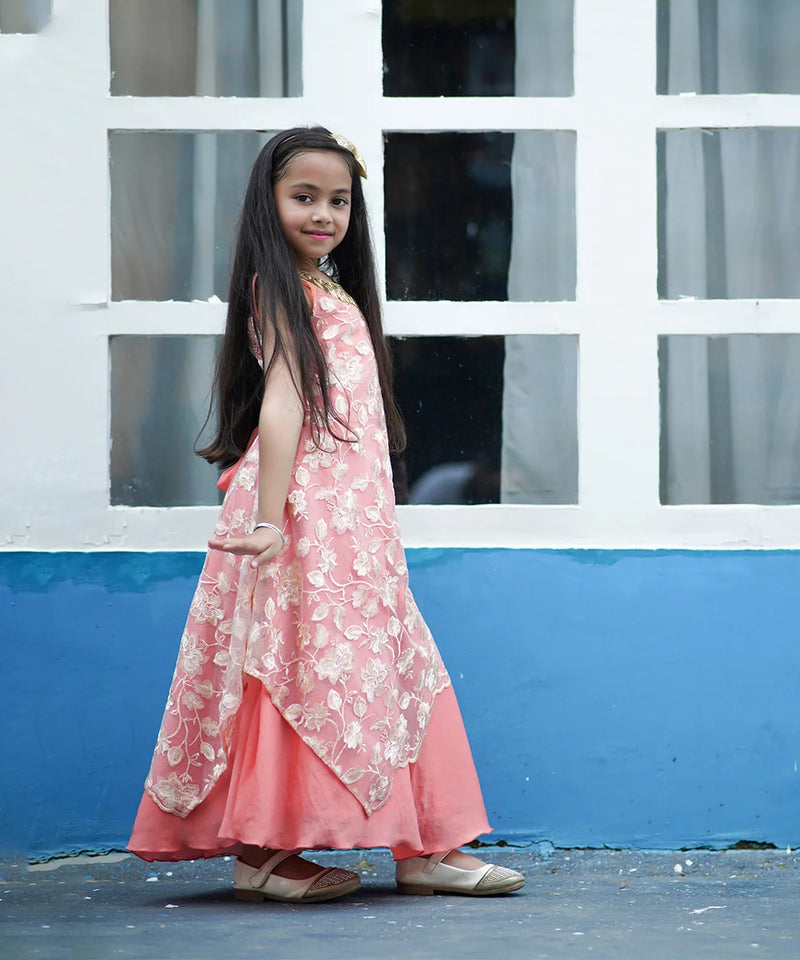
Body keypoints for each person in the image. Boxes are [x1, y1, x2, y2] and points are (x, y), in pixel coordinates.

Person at [127, 126, 525, 904]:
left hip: (354, 522)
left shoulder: (331, 289)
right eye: (303, 196)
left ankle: (424, 845)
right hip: (301, 514)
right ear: (267, 201)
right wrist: (271, 519)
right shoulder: (279, 289)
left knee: (390, 658)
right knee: (290, 662)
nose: (323, 214)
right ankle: (264, 855)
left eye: (338, 200)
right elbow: (283, 402)